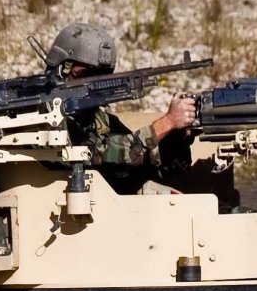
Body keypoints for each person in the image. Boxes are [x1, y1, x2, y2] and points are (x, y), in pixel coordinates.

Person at [46, 23, 196, 181]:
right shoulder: (38, 115)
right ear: (60, 69)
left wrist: (177, 137)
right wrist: (167, 123)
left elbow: (134, 165)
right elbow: (94, 153)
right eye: (84, 74)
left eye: (101, 75)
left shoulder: (98, 121)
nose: (92, 83)